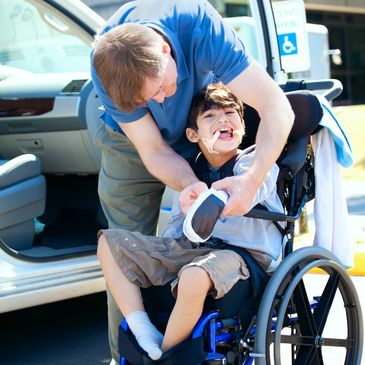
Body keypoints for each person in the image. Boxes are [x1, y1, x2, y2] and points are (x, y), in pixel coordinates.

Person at [90, 1, 294, 362]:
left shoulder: (198, 27)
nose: (158, 101)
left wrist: (250, 181)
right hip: (129, 143)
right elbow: (152, 149)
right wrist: (188, 184)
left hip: (200, 125)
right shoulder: (108, 65)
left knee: (200, 266)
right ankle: (132, 348)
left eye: (161, 88)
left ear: (166, 51)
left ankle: (176, 353)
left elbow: (278, 108)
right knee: (122, 242)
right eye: (145, 100)